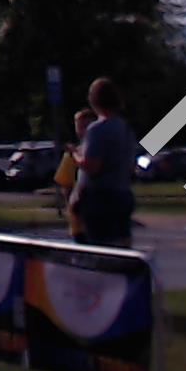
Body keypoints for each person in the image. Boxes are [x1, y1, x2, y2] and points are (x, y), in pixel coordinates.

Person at [72, 78, 138, 247]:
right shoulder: (125, 128)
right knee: (122, 246)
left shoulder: (97, 129)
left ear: (94, 100)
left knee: (100, 248)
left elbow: (92, 166)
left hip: (100, 198)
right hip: (122, 192)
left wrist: (76, 156)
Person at [54, 109, 91, 238]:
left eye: (85, 126)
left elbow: (66, 188)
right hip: (81, 220)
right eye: (79, 126)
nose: (81, 130)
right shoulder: (71, 154)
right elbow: (66, 186)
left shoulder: (75, 153)